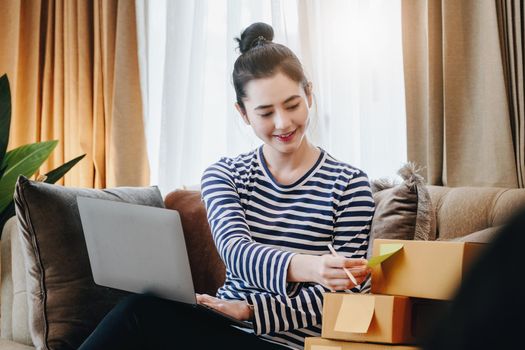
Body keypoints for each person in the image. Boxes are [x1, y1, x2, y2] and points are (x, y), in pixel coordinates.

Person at [79, 22, 374, 350]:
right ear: (243, 113)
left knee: (140, 315)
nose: (283, 123)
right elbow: (236, 253)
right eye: (265, 112)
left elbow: (343, 295)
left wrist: (252, 311)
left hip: (290, 344)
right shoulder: (225, 175)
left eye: (292, 105)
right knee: (140, 310)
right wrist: (314, 267)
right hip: (220, 330)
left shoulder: (349, 184)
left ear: (309, 93)